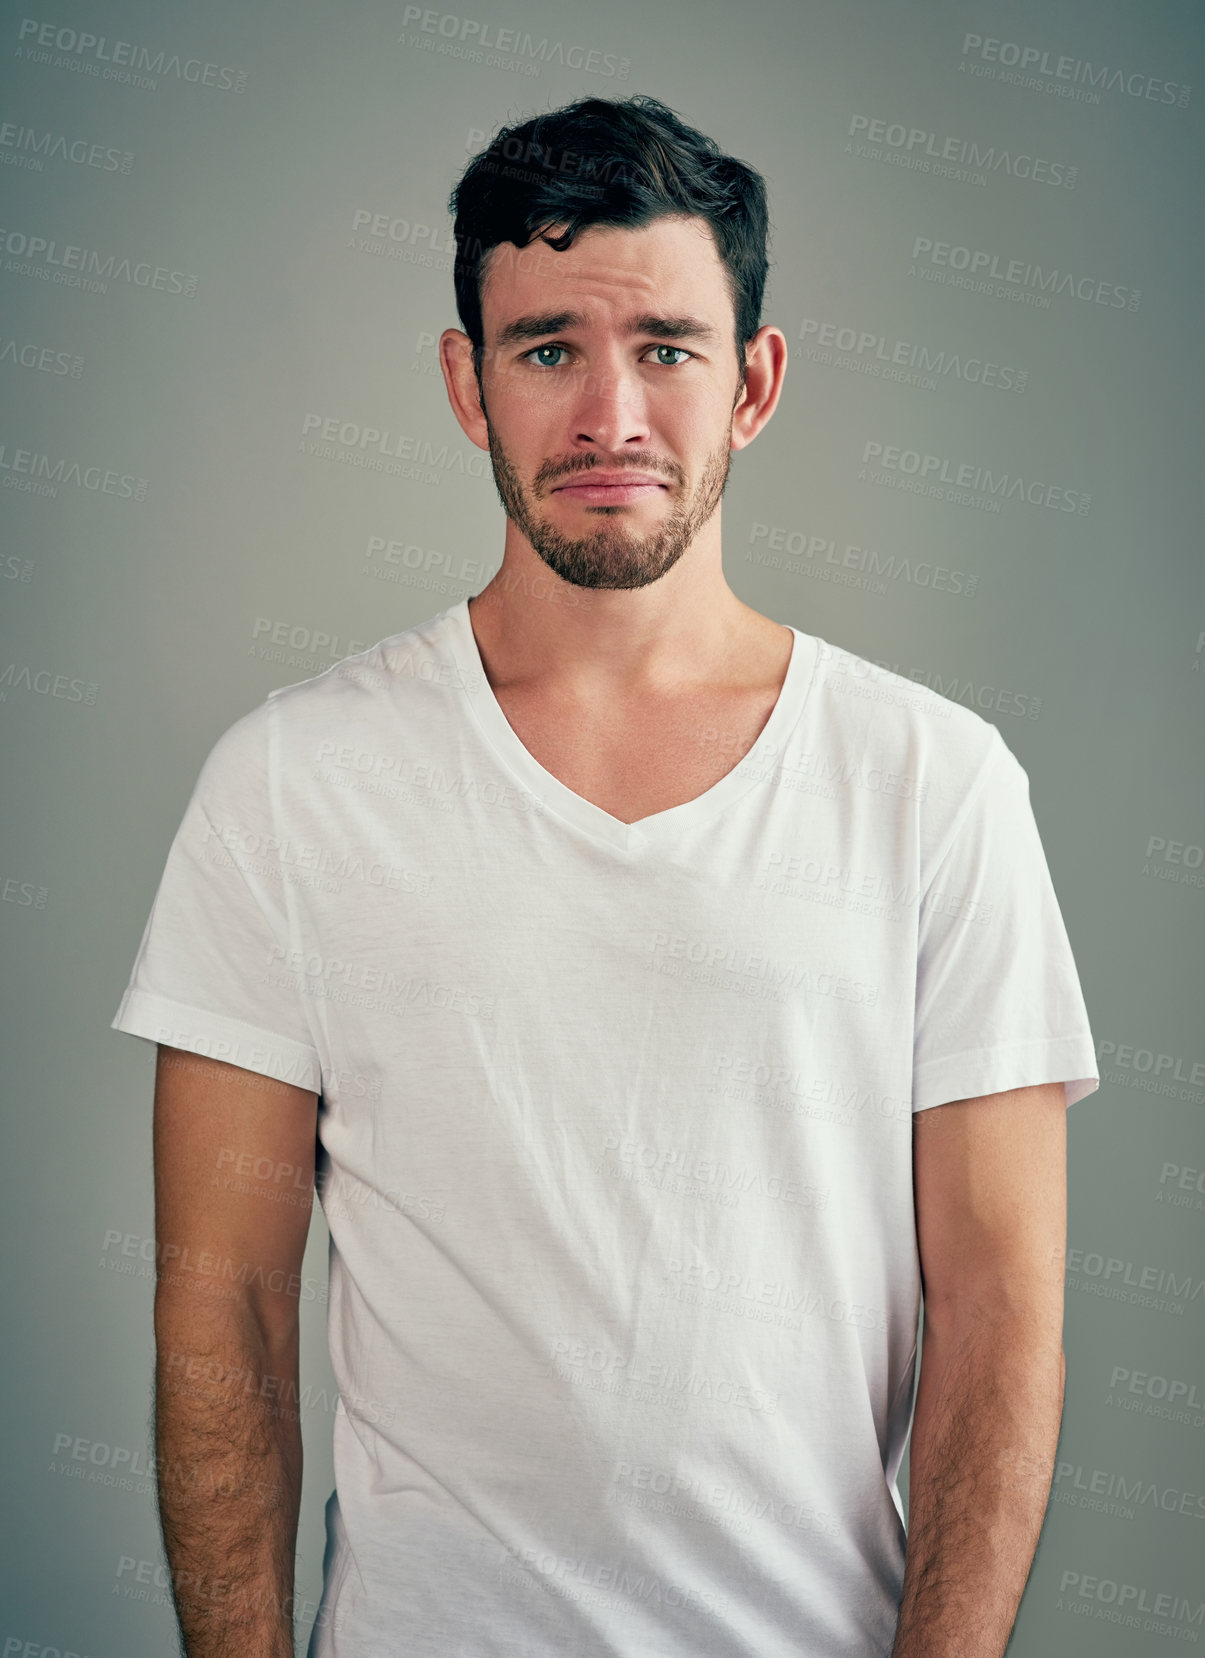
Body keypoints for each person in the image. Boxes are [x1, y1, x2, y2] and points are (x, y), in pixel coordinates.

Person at [111, 93, 1099, 1658]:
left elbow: (999, 1313)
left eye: (668, 349)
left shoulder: (933, 783)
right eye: (547, 348)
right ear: (466, 382)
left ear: (754, 383)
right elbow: (222, 1309)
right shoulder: (289, 786)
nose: (610, 418)